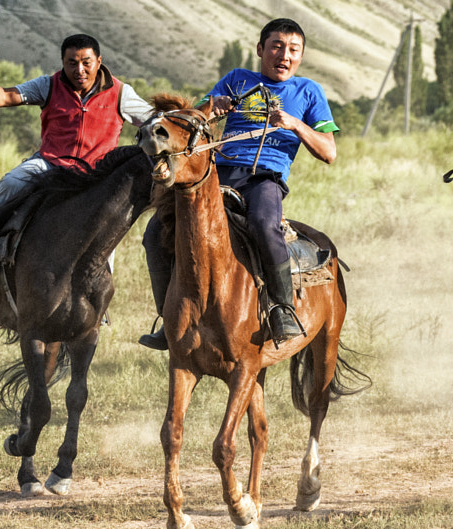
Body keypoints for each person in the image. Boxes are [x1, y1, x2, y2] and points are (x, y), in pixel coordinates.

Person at [139, 17, 338, 350]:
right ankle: (168, 319)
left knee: (263, 224)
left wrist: (294, 125)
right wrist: (211, 109)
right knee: (155, 232)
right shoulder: (237, 79)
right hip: (219, 173)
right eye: (276, 46)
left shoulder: (308, 91)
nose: (284, 55)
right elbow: (194, 119)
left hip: (264, 178)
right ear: (260, 49)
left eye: (293, 49)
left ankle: (282, 310)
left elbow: (329, 151)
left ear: (301, 56)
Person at [0, 34, 153, 277]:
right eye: (72, 63)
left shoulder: (121, 93)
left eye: (86, 62)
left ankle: (102, 297)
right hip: (49, 163)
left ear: (99, 60)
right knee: (11, 183)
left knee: (105, 224)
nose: (79, 69)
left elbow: (154, 120)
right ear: (62, 62)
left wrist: (188, 118)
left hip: (97, 173)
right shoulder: (47, 85)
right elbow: (4, 97)